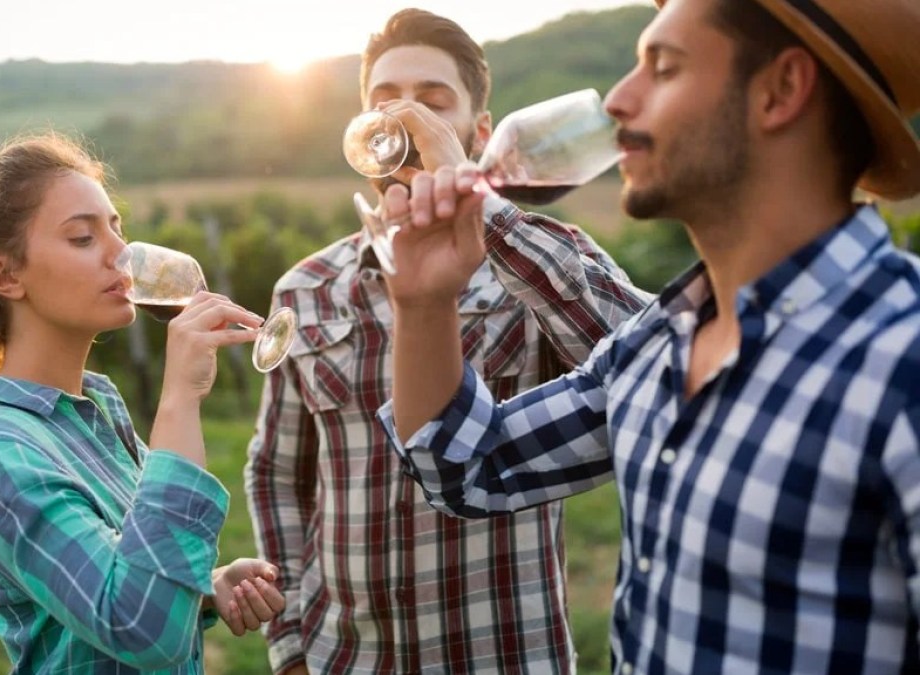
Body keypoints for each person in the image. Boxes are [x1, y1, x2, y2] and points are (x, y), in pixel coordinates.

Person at [381, 0, 920, 672]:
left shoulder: (903, 356)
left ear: (780, 91)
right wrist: (425, 301)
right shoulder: (655, 341)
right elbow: (465, 466)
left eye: (662, 69)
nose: (619, 102)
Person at [244, 8, 651, 674]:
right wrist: (292, 644)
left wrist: (480, 206)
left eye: (434, 104)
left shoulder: (539, 265)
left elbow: (652, 363)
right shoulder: (304, 288)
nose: (407, 121)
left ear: (478, 131)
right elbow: (278, 473)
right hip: (344, 658)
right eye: (386, 103)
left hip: (505, 656)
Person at [0, 132, 286, 674]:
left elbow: (121, 572)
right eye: (83, 238)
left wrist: (204, 589)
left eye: (117, 229)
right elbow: (141, 631)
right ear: (6, 276)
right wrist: (180, 400)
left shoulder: (94, 407)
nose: (122, 256)